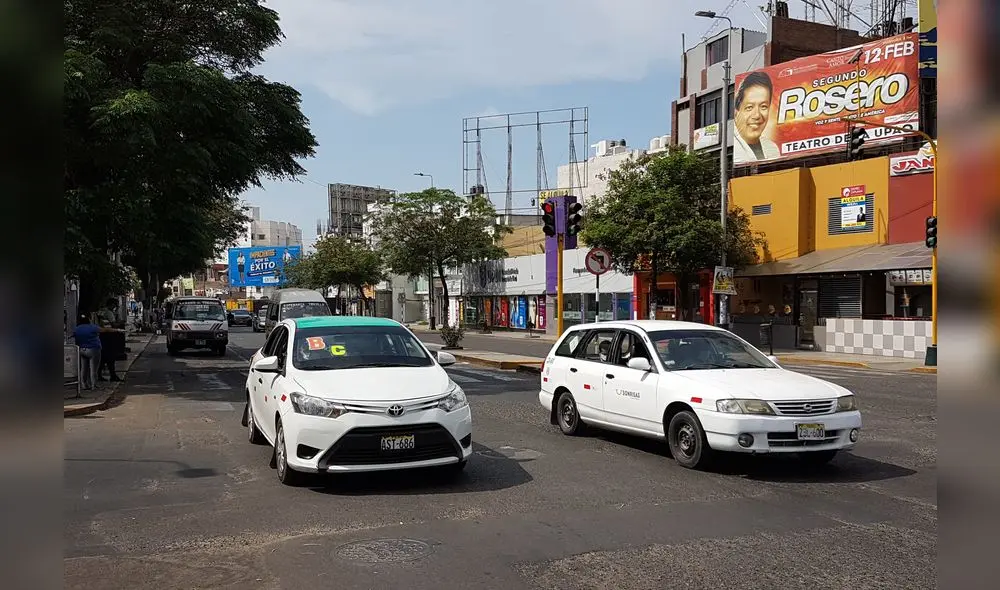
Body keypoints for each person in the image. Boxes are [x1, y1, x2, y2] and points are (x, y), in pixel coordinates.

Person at [733, 71, 781, 163]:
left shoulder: (772, 148)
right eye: (749, 107)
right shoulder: (734, 148)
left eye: (763, 106)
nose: (757, 115)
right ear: (737, 112)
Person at [72, 315, 106, 390]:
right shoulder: (92, 327)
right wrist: (118, 330)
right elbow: (104, 330)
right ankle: (94, 385)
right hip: (93, 349)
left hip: (81, 349)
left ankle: (84, 384)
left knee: (84, 368)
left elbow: (72, 335)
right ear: (89, 320)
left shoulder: (77, 329)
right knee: (93, 369)